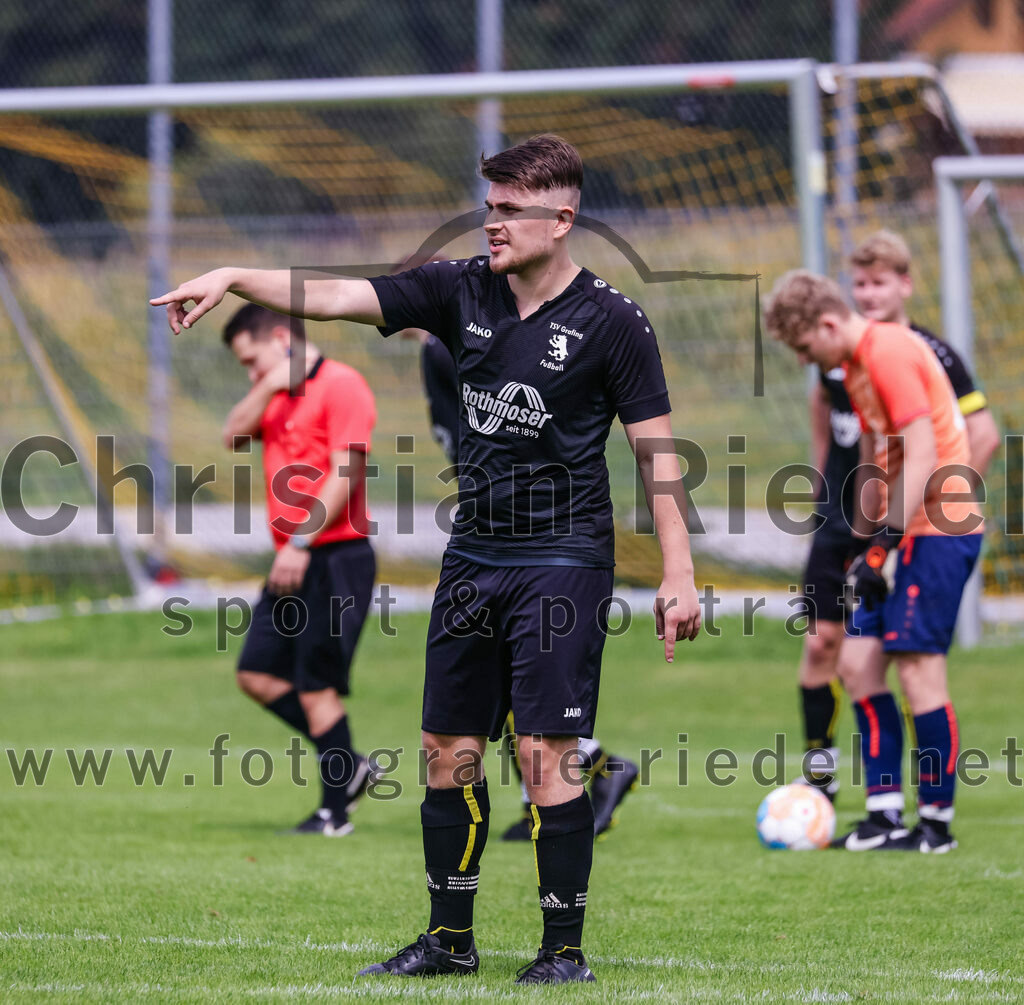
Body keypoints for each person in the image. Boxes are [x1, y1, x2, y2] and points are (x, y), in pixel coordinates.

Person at [153, 133, 701, 985]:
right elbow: (334, 293)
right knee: (445, 747)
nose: (492, 223)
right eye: (487, 206)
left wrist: (679, 573)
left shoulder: (614, 321)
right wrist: (231, 274)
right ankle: (450, 941)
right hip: (473, 554)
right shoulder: (458, 290)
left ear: (562, 218)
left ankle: (563, 952)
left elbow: (658, 455)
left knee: (543, 754)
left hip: (564, 557)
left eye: (510, 210)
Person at [767, 270, 985, 853]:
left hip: (938, 528)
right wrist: (863, 544)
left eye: (806, 346)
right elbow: (874, 460)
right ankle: (885, 814)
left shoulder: (887, 350)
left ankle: (935, 825)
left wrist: (885, 541)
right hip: (894, 532)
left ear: (830, 323)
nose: (805, 359)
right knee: (858, 666)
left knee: (918, 672)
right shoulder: (854, 367)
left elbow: (923, 452)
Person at [400, 324, 642, 841]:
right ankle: (591, 771)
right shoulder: (436, 353)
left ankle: (592, 772)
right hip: (491, 533)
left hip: (530, 543)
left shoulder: (447, 346)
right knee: (510, 691)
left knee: (515, 690)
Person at [221, 304, 378, 836]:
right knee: (257, 674)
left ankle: (334, 813)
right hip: (293, 558)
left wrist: (300, 540)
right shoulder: (270, 395)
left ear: (282, 338)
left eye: (253, 361)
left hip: (336, 556)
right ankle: (348, 764)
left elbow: (346, 470)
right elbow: (232, 434)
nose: (249, 373)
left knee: (316, 685)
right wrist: (267, 385)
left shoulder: (342, 385)